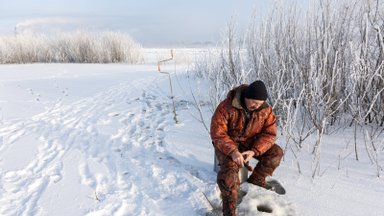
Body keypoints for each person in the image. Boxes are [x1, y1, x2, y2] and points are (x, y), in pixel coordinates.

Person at [210, 80, 283, 216]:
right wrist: (233, 151)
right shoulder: (226, 107)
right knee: (230, 174)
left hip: (250, 143)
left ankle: (256, 180)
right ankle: (229, 210)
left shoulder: (265, 110)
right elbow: (218, 134)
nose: (256, 106)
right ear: (246, 97)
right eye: (254, 102)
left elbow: (270, 134)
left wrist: (254, 151)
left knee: (276, 153)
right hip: (228, 144)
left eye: (260, 103)